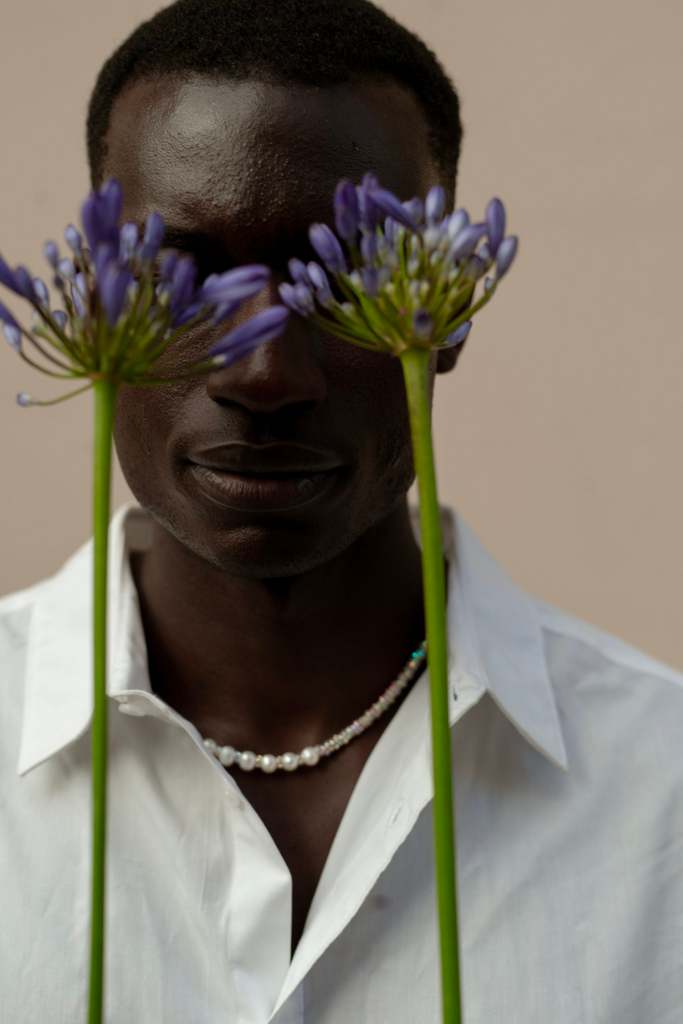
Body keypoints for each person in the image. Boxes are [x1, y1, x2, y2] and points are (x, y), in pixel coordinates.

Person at [1, 1, 682, 1021]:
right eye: (183, 274)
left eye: (342, 280)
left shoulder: (660, 783)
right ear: (101, 302)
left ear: (444, 308)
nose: (266, 374)